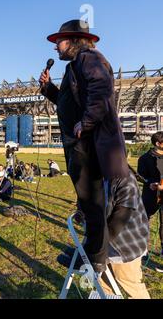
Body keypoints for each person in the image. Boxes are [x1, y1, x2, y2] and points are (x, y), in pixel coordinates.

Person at [39, 20, 129, 272]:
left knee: (93, 201)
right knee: (87, 201)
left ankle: (95, 257)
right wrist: (48, 89)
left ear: (74, 40)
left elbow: (101, 90)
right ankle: (91, 250)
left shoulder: (89, 58)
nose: (56, 47)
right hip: (77, 143)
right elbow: (67, 102)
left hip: (87, 142)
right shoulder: (74, 68)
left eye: (59, 41)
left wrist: (86, 122)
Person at [58, 168, 150, 299]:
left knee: (129, 282)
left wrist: (89, 252)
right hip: (104, 242)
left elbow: (117, 220)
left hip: (125, 245)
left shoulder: (124, 178)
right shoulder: (94, 174)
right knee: (104, 283)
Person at [137, 131, 163, 258]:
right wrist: (150, 183)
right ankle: (143, 249)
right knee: (144, 220)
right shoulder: (144, 158)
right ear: (158, 143)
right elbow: (140, 175)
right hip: (150, 194)